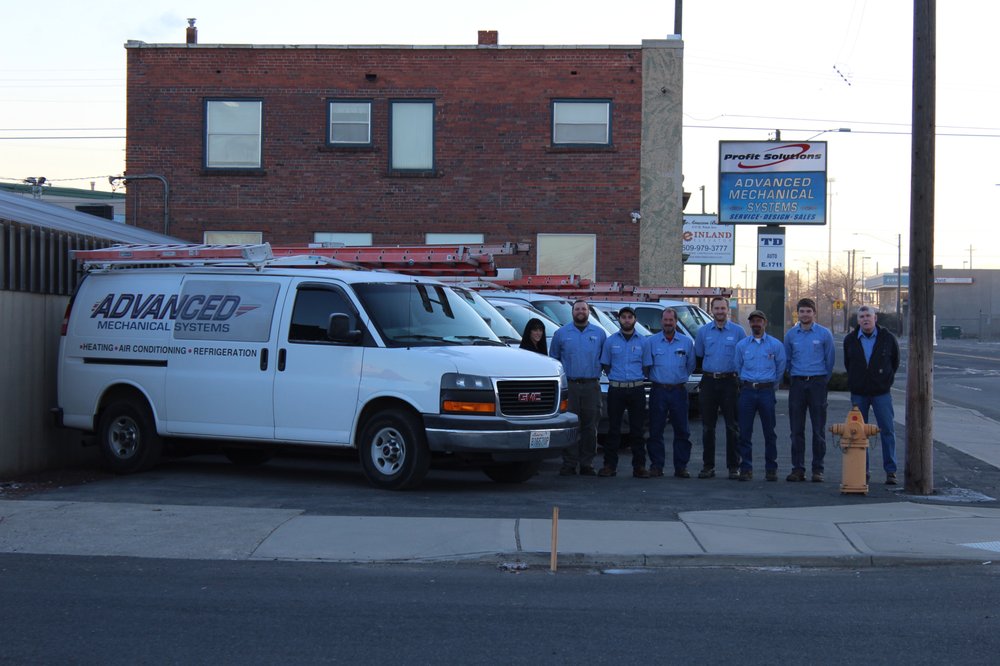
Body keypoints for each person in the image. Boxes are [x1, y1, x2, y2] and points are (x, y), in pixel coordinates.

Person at [843, 305, 901, 484]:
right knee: (859, 432)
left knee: (887, 430)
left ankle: (891, 471)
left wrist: (884, 380)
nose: (865, 319)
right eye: (862, 317)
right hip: (859, 393)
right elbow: (848, 363)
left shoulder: (888, 338)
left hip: (881, 393)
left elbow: (895, 362)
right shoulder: (850, 340)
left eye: (868, 316)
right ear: (858, 320)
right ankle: (863, 471)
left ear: (875, 318)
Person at [549, 299, 607, 476]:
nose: (580, 311)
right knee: (571, 426)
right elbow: (554, 360)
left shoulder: (599, 333)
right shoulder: (561, 333)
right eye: (577, 309)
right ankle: (569, 463)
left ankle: (587, 464)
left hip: (591, 386)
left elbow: (605, 359)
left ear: (588, 312)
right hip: (570, 386)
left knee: (590, 426)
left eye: (584, 309)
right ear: (572, 312)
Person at [783, 298, 836, 483]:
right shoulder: (791, 335)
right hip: (797, 384)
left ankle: (817, 469)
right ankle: (797, 469)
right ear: (797, 313)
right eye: (802, 311)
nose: (805, 314)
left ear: (814, 313)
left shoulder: (824, 334)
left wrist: (821, 381)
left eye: (808, 311)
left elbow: (830, 360)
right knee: (796, 429)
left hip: (817, 384)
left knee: (818, 429)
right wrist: (793, 378)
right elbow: (787, 359)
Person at [694, 295, 746, 480]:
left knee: (732, 426)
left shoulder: (739, 332)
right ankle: (708, 466)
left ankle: (734, 467)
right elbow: (699, 355)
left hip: (730, 382)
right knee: (708, 427)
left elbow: (743, 357)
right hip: (709, 382)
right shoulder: (703, 332)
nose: (720, 312)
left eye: (723, 308)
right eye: (716, 308)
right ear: (711, 310)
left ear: (727, 310)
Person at [642, 307, 696, 478]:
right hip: (659, 390)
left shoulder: (686, 342)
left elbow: (690, 365)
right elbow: (646, 367)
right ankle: (656, 466)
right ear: (661, 322)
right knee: (655, 430)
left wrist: (677, 378)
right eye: (665, 320)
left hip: (679, 391)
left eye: (671, 320)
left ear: (676, 321)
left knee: (682, 430)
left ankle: (681, 467)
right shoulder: (651, 342)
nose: (668, 323)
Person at [734, 310, 787, 482]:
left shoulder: (775, 345)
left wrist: (771, 385)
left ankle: (771, 469)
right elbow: (738, 366)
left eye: (759, 321)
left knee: (769, 432)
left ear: (765, 323)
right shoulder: (742, 345)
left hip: (766, 391)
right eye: (753, 321)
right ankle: (746, 468)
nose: (756, 324)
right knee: (744, 432)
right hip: (748, 391)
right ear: (750, 324)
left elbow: (781, 367)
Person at [598, 306, 649, 478]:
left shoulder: (643, 342)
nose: (627, 320)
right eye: (623, 317)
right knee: (613, 429)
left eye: (630, 317)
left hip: (636, 389)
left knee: (637, 430)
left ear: (635, 319)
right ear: (619, 320)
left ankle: (639, 467)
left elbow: (646, 366)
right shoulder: (610, 341)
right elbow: (606, 364)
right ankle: (609, 466)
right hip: (617, 389)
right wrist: (616, 378)